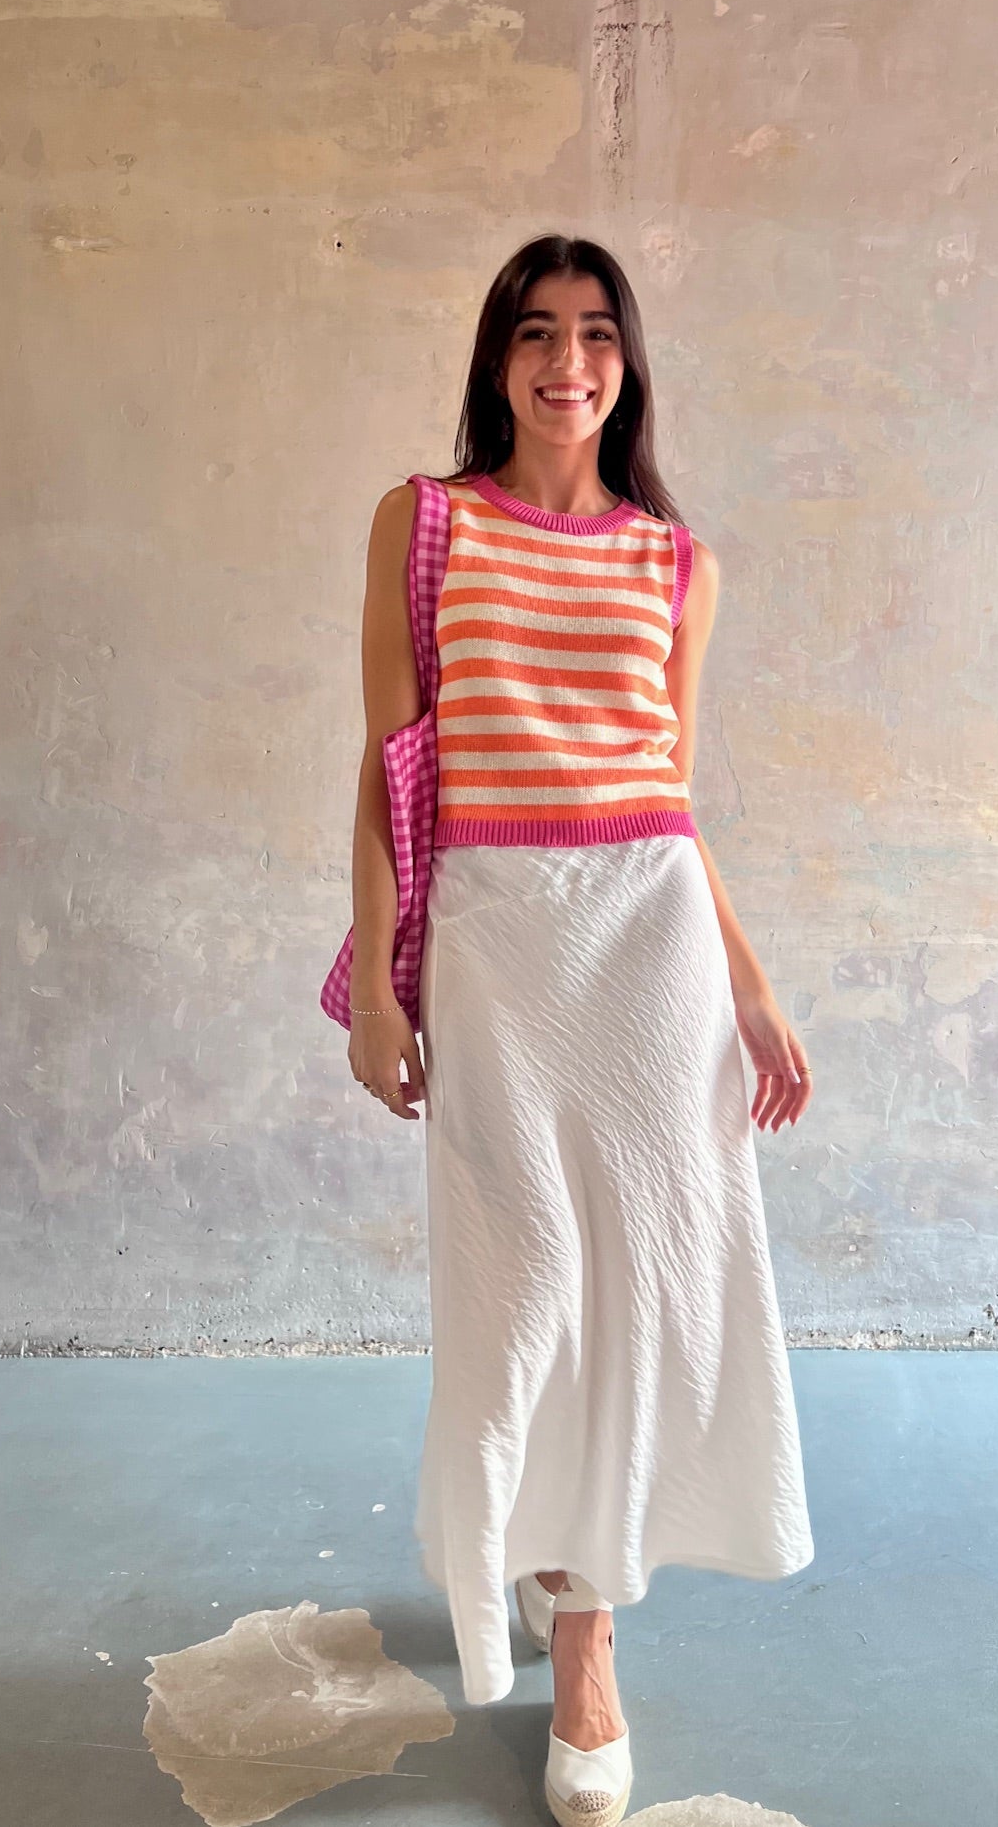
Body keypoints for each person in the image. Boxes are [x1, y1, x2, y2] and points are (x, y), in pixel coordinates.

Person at [342, 233, 815, 1826]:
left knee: (642, 1283)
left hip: (648, 947)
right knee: (522, 1279)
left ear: (628, 361)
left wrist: (748, 983)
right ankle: (529, 1549)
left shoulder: (676, 563)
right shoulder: (427, 523)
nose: (567, 362)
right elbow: (388, 766)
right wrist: (379, 983)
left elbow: (667, 795)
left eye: (597, 333)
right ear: (498, 357)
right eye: (537, 332)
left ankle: (590, 1631)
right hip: (495, 943)